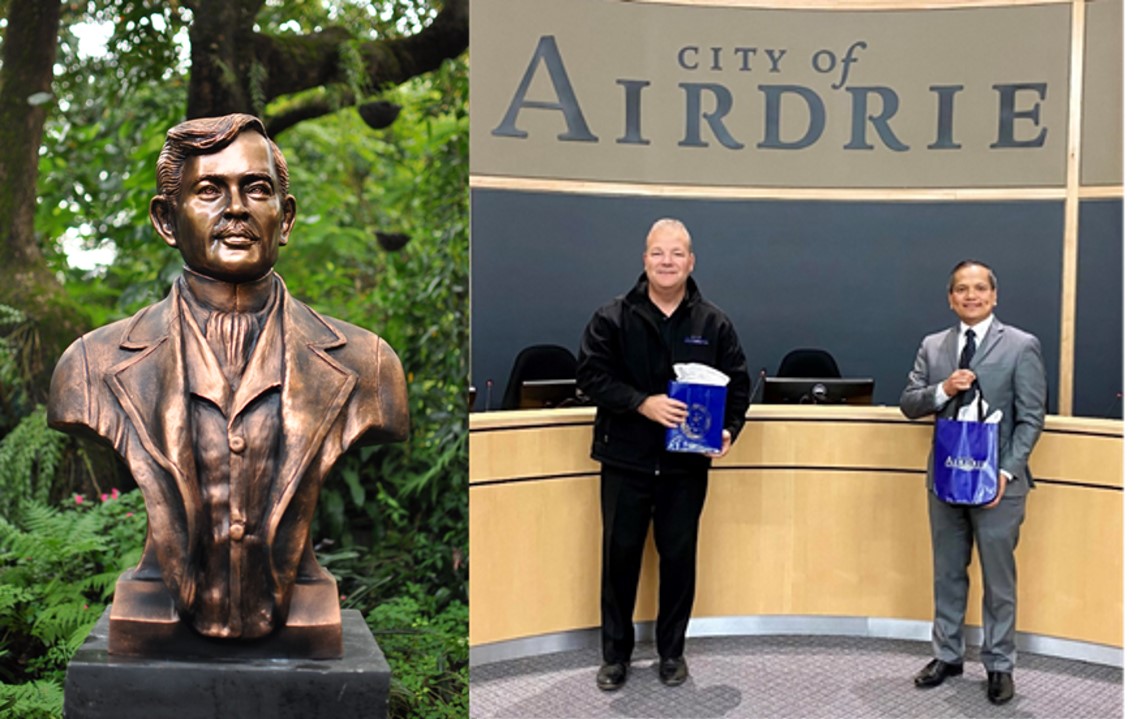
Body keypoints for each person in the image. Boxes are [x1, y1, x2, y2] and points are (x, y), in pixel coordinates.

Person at [48, 114, 409, 650]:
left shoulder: (369, 366)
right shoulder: (89, 367)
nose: (235, 208)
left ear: (284, 219)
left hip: (304, 606)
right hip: (155, 605)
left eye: (256, 188)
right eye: (210, 190)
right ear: (167, 220)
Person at [576, 218, 751, 690]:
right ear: (644, 260)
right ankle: (615, 657)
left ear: (691, 262)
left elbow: (739, 386)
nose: (667, 262)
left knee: (678, 560)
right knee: (619, 560)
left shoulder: (713, 323)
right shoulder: (612, 317)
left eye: (677, 254)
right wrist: (642, 402)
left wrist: (730, 430)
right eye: (658, 253)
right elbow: (591, 377)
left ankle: (672, 654)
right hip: (625, 460)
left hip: (685, 466)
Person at [899, 259, 1046, 705]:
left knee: (998, 580)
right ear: (950, 298)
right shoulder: (933, 346)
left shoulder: (1021, 346)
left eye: (980, 288)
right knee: (947, 573)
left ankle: (999, 665)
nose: (971, 295)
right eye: (961, 289)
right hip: (945, 480)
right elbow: (909, 403)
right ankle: (947, 655)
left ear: (994, 295)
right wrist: (943, 389)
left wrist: (1006, 472)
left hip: (998, 485)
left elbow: (1031, 418)